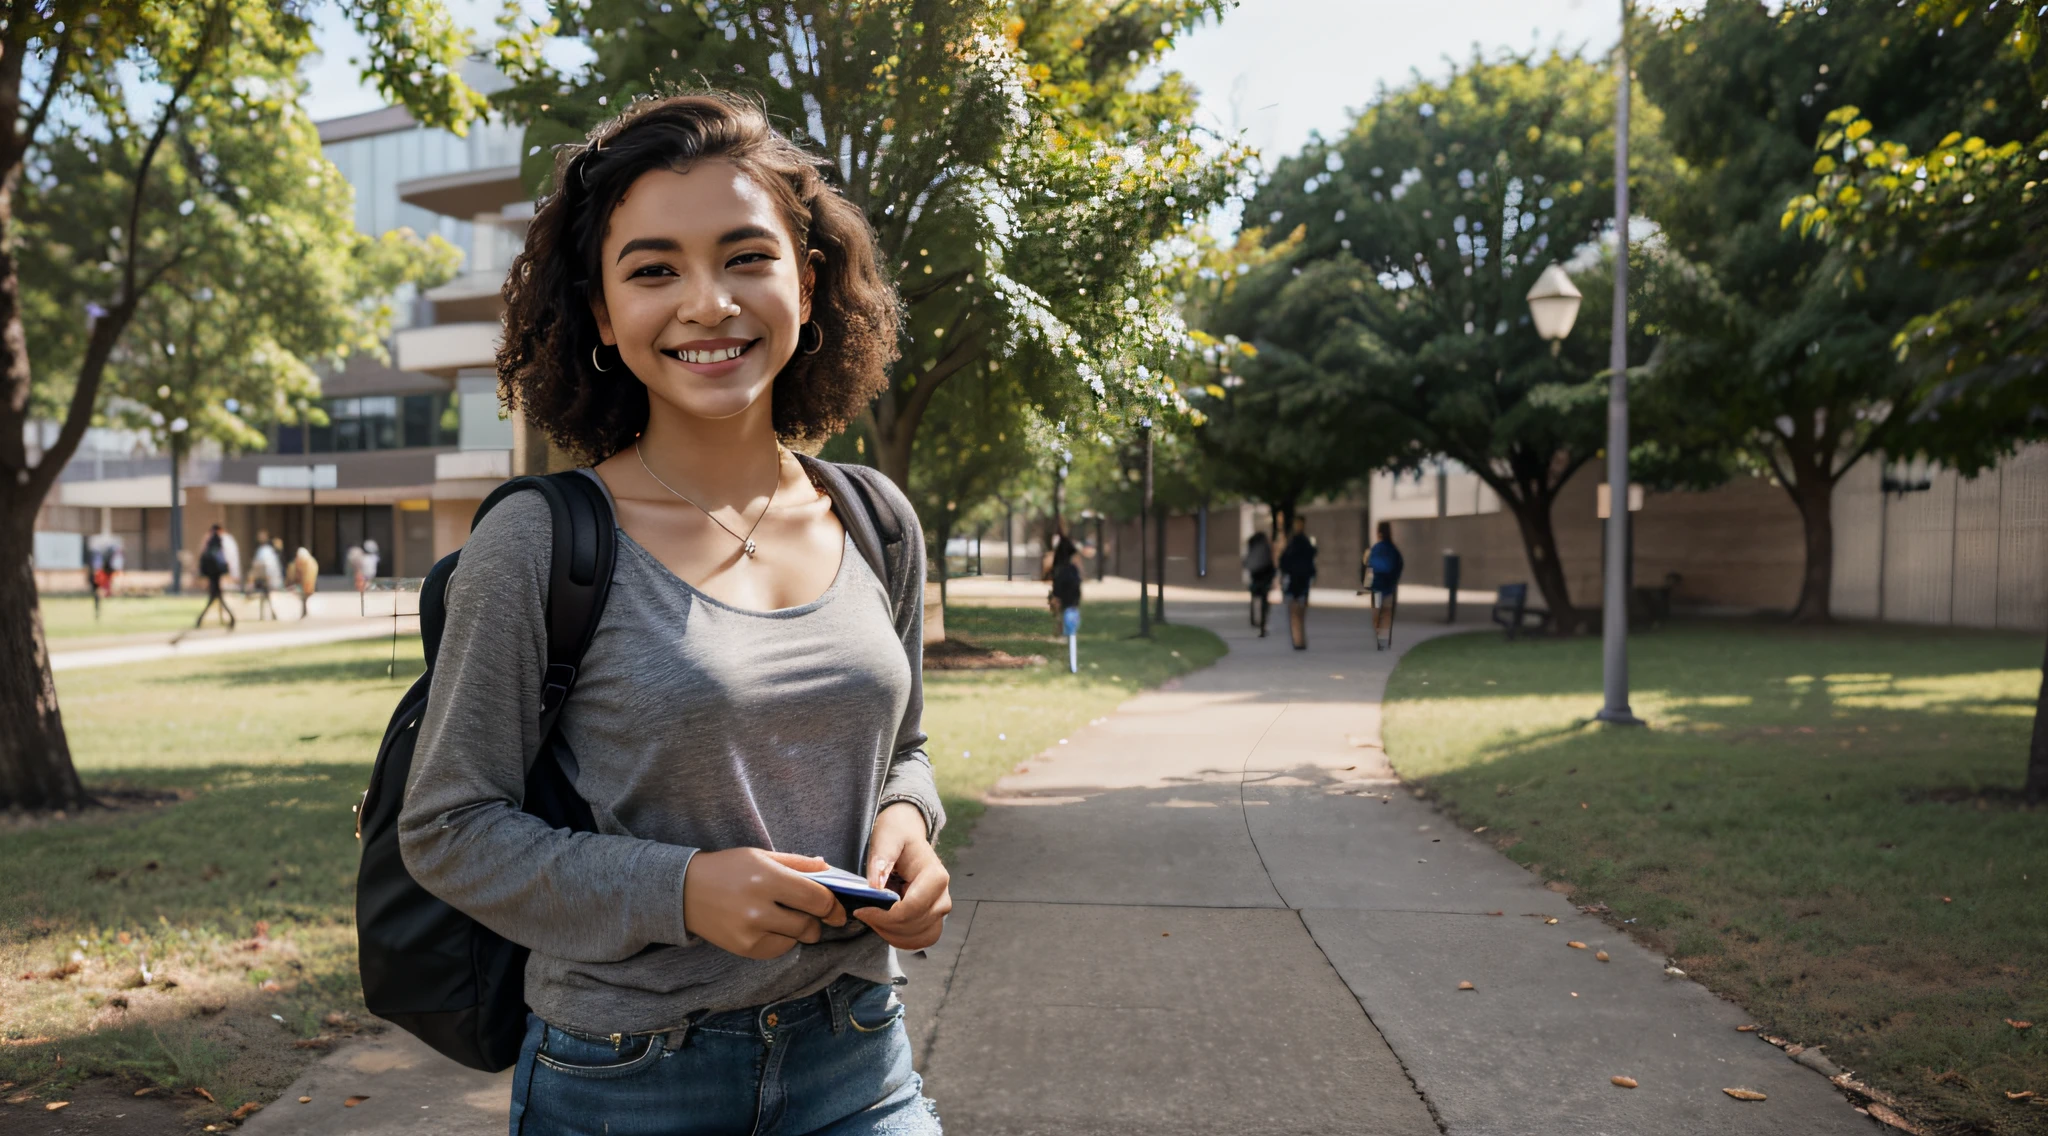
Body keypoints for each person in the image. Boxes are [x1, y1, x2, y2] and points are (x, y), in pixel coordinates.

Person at [397, 92, 948, 1136]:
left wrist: (908, 824)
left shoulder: (876, 517)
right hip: (625, 1076)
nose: (708, 302)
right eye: (653, 269)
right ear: (602, 313)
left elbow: (906, 745)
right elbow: (448, 828)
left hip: (859, 1053)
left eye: (745, 256)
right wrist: (681, 890)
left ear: (807, 278)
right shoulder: (538, 542)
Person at [1364, 521, 1405, 650]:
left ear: (1378, 533)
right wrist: (1394, 581)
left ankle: (1379, 638)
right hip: (1389, 588)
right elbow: (1399, 567)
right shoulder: (1394, 550)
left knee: (1376, 614)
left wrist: (1367, 584)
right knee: (1386, 613)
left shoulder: (1375, 549)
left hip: (1376, 588)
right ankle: (1384, 639)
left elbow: (1369, 568)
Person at [1278, 515, 1317, 650]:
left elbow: (1283, 562)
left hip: (1296, 580)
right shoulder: (1304, 543)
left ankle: (1298, 639)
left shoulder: (1293, 543)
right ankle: (1299, 639)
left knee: (1296, 611)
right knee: (1298, 610)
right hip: (1300, 580)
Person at [1049, 535, 1083, 674]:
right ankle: (1071, 664)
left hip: (1067, 609)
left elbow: (1056, 596)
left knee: (1069, 637)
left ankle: (1072, 666)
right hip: (1073, 608)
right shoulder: (1073, 570)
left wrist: (1056, 616)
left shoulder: (1060, 572)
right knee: (1071, 637)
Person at [193, 524, 236, 630]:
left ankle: (200, 619)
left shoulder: (210, 540)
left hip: (212, 574)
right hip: (216, 574)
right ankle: (231, 619)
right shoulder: (219, 540)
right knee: (216, 597)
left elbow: (202, 555)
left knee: (215, 597)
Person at [1242, 530, 1275, 637]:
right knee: (1264, 603)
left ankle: (1254, 620)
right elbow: (1270, 565)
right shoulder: (1266, 549)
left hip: (1255, 579)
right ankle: (1262, 626)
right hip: (1264, 580)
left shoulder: (1252, 548)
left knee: (1254, 600)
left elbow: (1246, 563)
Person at [250, 532, 283, 621]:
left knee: (267, 596)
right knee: (266, 597)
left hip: (267, 579)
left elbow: (266, 566)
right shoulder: (266, 550)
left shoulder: (265, 551)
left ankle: (271, 614)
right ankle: (271, 614)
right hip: (267, 578)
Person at [291, 546, 319, 619]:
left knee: (304, 598)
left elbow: (308, 575)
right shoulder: (308, 561)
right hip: (305, 583)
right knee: (303, 599)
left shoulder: (308, 563)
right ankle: (304, 612)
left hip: (307, 583)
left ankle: (304, 612)